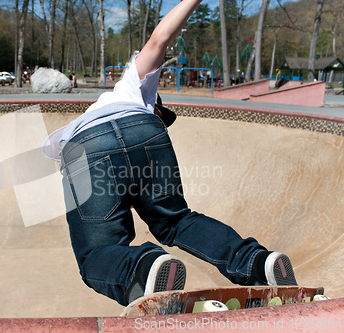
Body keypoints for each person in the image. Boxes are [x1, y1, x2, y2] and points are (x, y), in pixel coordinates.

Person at [42, 0, 297, 306]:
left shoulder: (121, 91)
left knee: (96, 253)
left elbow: (156, 39)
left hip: (82, 149)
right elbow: (159, 38)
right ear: (157, 107)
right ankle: (257, 264)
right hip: (145, 134)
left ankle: (142, 269)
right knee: (177, 221)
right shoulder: (137, 94)